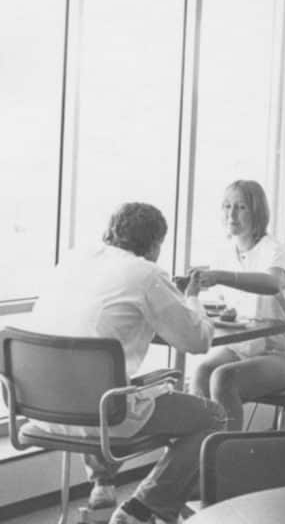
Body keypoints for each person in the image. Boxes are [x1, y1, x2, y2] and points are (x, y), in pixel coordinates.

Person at [28, 202, 225, 524]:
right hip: (100, 412)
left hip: (40, 405)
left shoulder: (73, 259)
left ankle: (103, 484)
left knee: (98, 378)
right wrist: (190, 298)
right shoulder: (147, 273)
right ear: (155, 244)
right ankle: (143, 508)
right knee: (214, 417)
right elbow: (197, 341)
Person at [190, 180, 285, 430]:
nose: (231, 215)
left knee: (224, 379)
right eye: (226, 206)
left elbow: (271, 283)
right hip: (245, 348)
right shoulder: (225, 252)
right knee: (202, 372)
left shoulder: (273, 249)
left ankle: (227, 459)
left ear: (257, 213)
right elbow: (228, 307)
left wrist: (221, 276)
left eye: (241, 207)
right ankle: (201, 454)